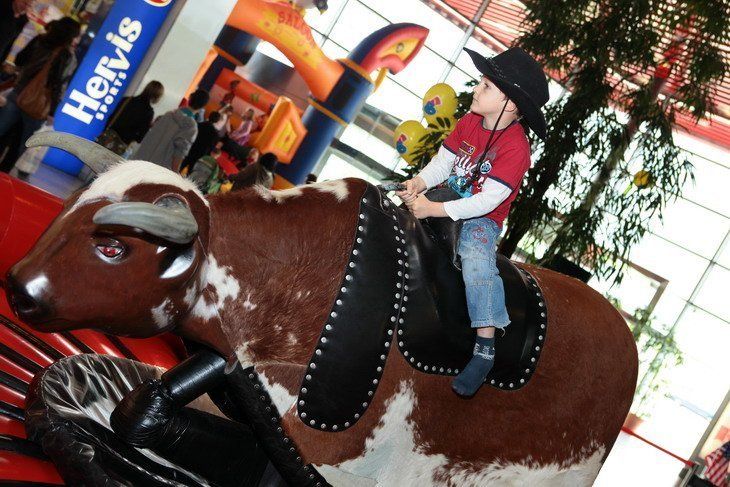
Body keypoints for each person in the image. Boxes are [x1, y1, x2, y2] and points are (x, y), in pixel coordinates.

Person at [396, 47, 550, 397]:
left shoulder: (516, 148)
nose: (476, 90)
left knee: (477, 262)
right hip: (446, 198)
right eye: (481, 82)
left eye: (486, 86)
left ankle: (484, 348)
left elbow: (487, 200)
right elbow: (443, 164)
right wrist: (419, 183)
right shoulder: (468, 122)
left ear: (509, 104)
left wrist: (433, 210)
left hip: (481, 218)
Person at [0, 16, 80, 173]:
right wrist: (52, 112)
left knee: (2, 132)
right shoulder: (67, 55)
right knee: (18, 145)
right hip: (38, 104)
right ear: (71, 35)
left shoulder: (40, 39)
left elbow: (20, 59)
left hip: (18, 93)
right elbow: (57, 84)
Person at [133, 88, 210, 172]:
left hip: (140, 160)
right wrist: (175, 173)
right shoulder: (191, 127)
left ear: (190, 97)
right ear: (202, 107)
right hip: (158, 169)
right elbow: (180, 152)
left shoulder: (168, 115)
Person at [100, 80, 164, 155]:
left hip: (106, 137)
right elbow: (140, 138)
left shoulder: (126, 100)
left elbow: (111, 117)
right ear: (157, 96)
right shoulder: (148, 112)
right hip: (120, 145)